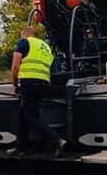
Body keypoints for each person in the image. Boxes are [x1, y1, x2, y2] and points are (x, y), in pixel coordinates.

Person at [8, 26, 66, 157]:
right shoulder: (46, 47)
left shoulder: (24, 42)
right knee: (23, 115)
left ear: (25, 34)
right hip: (43, 83)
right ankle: (21, 146)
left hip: (28, 82)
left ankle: (57, 140)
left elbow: (15, 66)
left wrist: (14, 84)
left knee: (31, 117)